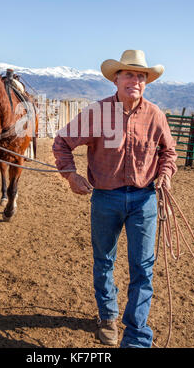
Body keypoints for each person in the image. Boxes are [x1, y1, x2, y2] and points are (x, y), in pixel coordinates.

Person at [52, 49, 177, 348]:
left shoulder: (155, 114)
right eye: (129, 74)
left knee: (143, 268)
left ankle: (136, 337)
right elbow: (62, 142)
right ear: (117, 79)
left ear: (146, 82)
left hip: (144, 199)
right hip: (105, 198)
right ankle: (107, 317)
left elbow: (168, 152)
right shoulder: (98, 113)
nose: (135, 80)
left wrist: (166, 174)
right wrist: (70, 175)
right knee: (104, 261)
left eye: (141, 76)